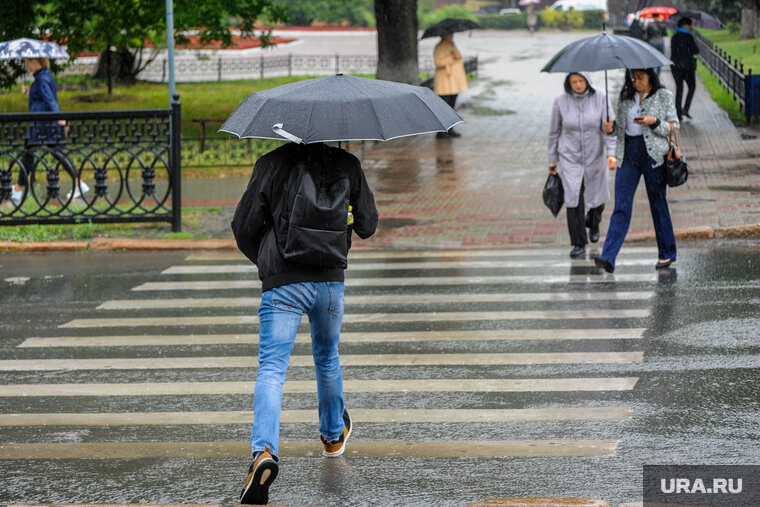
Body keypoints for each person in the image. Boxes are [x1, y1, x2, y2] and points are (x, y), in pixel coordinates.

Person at [231, 141, 378, 505]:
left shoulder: (272, 163)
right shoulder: (347, 163)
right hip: (330, 283)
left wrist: (268, 260)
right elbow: (369, 224)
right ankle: (331, 436)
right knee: (327, 358)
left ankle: (263, 453)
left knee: (272, 369)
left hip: (283, 282)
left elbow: (244, 225)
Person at [595, 68, 679, 273]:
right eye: (632, 78)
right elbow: (621, 128)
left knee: (657, 204)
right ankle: (608, 256)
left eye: (640, 77)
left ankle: (666, 252)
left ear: (650, 76)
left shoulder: (664, 96)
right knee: (621, 206)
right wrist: (610, 128)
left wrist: (654, 122)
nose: (636, 82)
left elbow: (674, 127)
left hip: (653, 156)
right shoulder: (625, 98)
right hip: (628, 155)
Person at [548, 72, 616, 258]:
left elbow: (609, 129)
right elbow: (554, 132)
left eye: (581, 81)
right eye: (574, 82)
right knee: (573, 197)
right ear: (568, 83)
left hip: (595, 154)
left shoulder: (601, 97)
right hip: (570, 156)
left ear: (588, 81)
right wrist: (552, 159)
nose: (578, 85)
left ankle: (594, 220)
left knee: (598, 194)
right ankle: (578, 242)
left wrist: (611, 154)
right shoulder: (560, 101)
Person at [11, 57, 87, 205]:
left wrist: (60, 118)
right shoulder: (45, 76)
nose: (27, 66)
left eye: (28, 63)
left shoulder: (42, 79)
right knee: (55, 153)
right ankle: (79, 183)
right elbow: (42, 97)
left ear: (35, 62)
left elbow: (50, 100)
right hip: (45, 123)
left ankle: (19, 189)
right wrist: (29, 91)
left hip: (41, 125)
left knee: (29, 154)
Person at [434, 33, 468, 138]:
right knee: (444, 107)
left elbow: (458, 56)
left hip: (454, 82)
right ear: (444, 35)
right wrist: (450, 58)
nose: (452, 36)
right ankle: (441, 131)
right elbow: (438, 62)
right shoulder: (439, 47)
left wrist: (454, 54)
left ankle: (450, 128)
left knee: (451, 106)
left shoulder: (452, 45)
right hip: (445, 81)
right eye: (449, 34)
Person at [670, 16, 700, 121]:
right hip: (687, 68)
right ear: (685, 25)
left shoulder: (674, 37)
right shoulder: (689, 37)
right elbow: (696, 50)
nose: (691, 27)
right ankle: (685, 109)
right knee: (692, 87)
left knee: (679, 89)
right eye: (690, 25)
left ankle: (678, 113)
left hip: (676, 67)